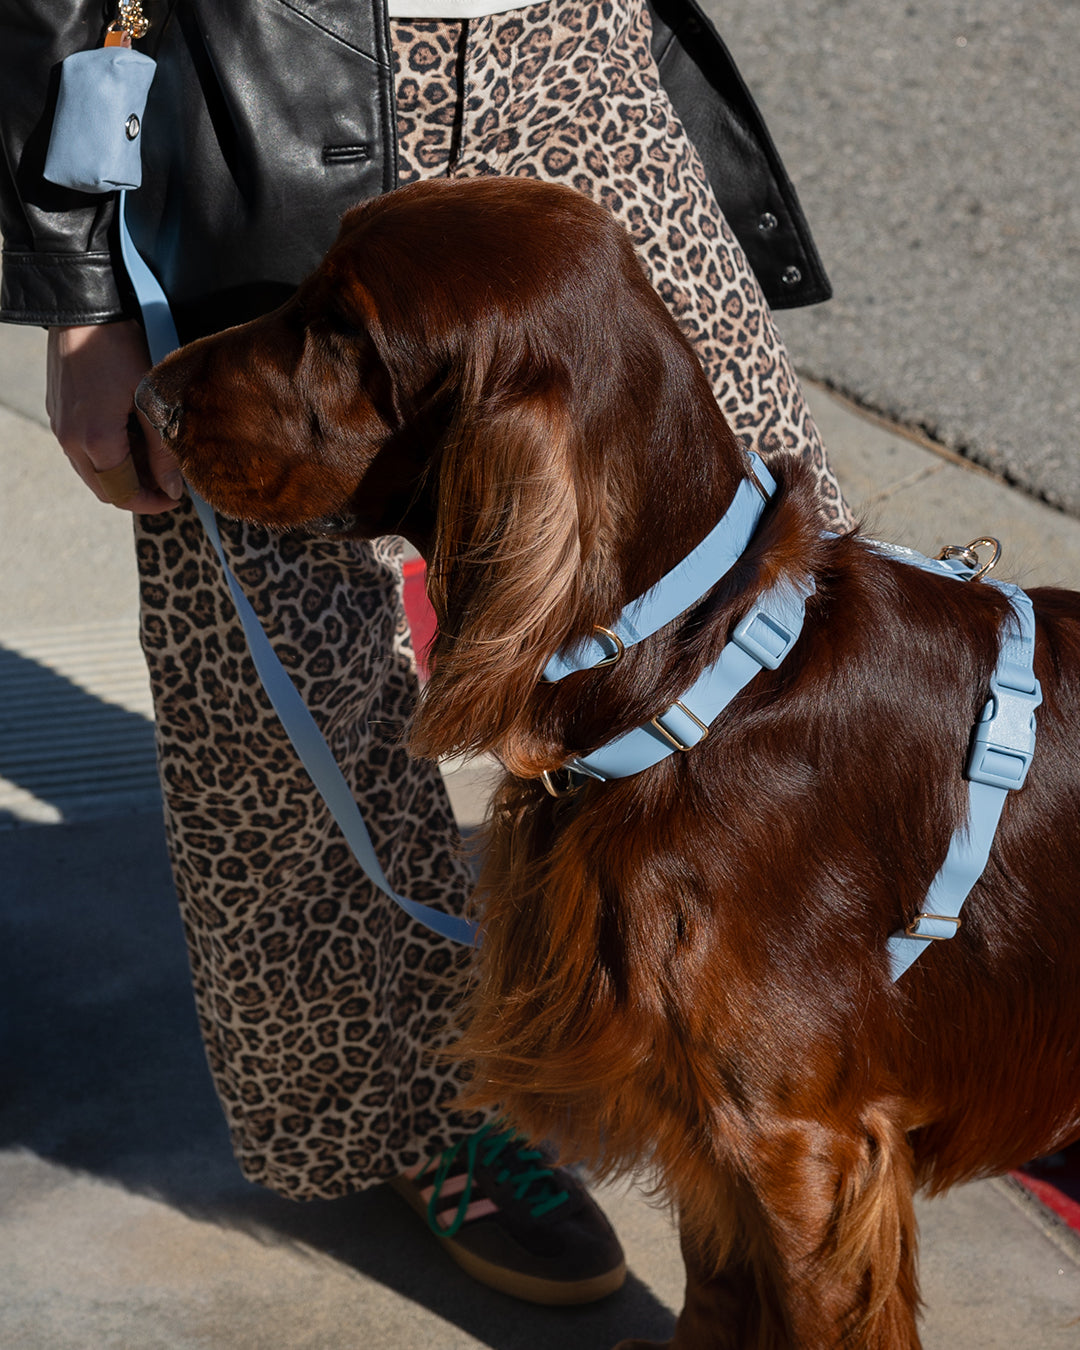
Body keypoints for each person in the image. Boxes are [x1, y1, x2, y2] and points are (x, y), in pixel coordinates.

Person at [0, 0, 852, 1304]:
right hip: (264, 78)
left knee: (782, 595)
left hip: (569, 49)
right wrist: (80, 288)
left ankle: (889, 1005)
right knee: (288, 708)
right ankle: (423, 1110)